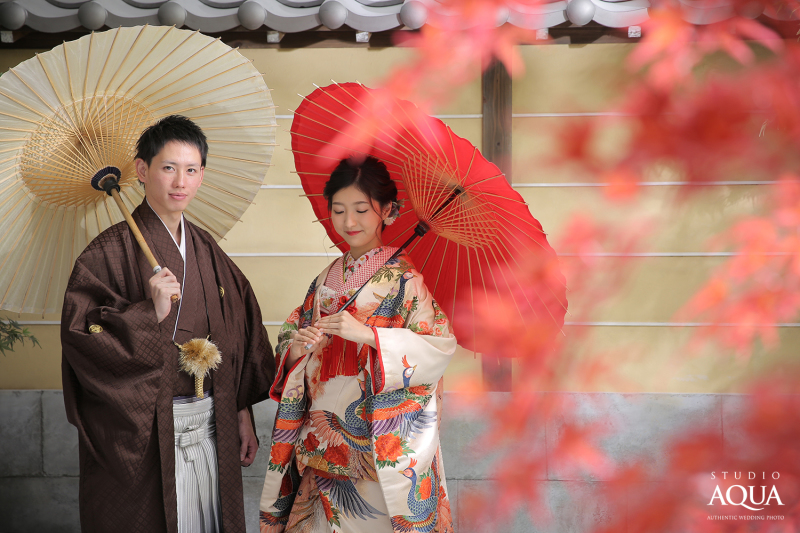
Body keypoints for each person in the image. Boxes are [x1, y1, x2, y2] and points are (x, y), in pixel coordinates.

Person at [61, 115, 275, 533]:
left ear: (201, 175)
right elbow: (80, 334)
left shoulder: (205, 247)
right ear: (141, 170)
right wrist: (147, 314)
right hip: (146, 430)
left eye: (192, 170)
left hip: (212, 422)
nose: (181, 182)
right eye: (168, 167)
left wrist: (240, 409)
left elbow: (239, 325)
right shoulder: (106, 252)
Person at [259, 156, 456, 533]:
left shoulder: (406, 281)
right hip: (321, 441)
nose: (349, 222)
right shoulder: (325, 278)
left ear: (388, 212)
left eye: (362, 210)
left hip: (374, 447)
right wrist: (298, 348)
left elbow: (439, 346)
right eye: (339, 210)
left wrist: (370, 335)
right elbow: (291, 335)